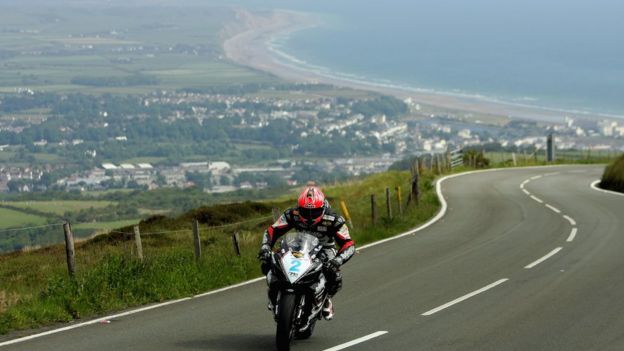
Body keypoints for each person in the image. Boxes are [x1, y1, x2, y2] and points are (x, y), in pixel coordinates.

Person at [258, 185, 355, 320]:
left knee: (334, 274)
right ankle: (274, 294)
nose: (309, 216)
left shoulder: (334, 219)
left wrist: (337, 260)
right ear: (299, 208)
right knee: (270, 260)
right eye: (305, 211)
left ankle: (326, 298)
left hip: (325, 248)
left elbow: (348, 243)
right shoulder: (292, 214)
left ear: (322, 208)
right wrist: (265, 247)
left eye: (314, 212)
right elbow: (272, 231)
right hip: (298, 245)